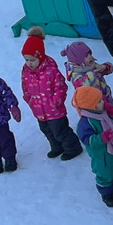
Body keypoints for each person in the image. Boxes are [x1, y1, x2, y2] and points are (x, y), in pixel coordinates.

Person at [20, 26, 82, 161]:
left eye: (32, 59)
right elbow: (25, 86)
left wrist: (56, 101)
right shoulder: (26, 71)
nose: (29, 63)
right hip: (38, 110)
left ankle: (73, 148)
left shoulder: (51, 70)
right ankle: (56, 147)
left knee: (60, 131)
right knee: (47, 131)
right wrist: (29, 99)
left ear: (40, 57)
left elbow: (61, 87)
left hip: (54, 110)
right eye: (26, 59)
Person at [73, 84, 113, 205]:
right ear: (91, 106)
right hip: (102, 155)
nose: (103, 102)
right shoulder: (85, 122)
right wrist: (103, 137)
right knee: (105, 172)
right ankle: (107, 193)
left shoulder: (103, 112)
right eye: (99, 101)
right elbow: (87, 140)